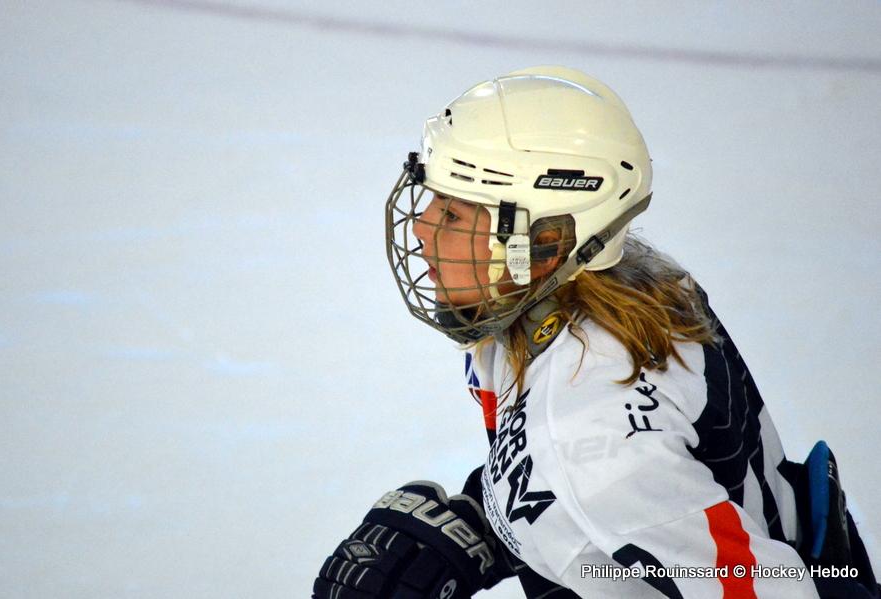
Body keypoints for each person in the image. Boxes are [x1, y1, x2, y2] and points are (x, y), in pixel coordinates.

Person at [312, 66, 879, 598]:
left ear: (544, 241)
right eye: (433, 198)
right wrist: (487, 522)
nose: (421, 225)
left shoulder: (598, 450)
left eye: (454, 213)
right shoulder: (606, 292)